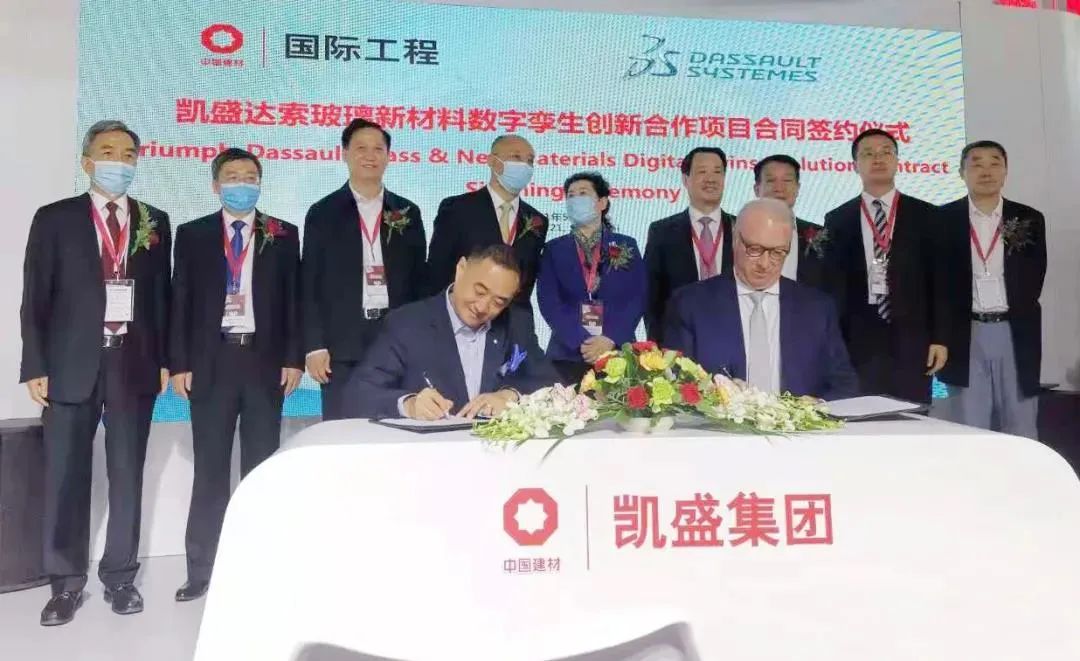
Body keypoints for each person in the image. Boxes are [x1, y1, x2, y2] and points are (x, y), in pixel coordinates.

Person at [20, 120, 171, 625]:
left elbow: (162, 298)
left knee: (128, 474)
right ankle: (65, 584)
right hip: (69, 365)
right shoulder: (54, 218)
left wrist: (165, 358)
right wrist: (35, 364)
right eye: (108, 152)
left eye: (128, 154)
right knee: (65, 476)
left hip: (134, 363)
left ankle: (120, 577)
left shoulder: (154, 221)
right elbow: (35, 296)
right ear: (87, 161)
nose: (119, 162)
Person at [168, 148, 302, 601]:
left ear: (260, 184)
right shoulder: (192, 234)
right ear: (216, 185)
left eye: (250, 176)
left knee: (260, 469)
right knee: (209, 470)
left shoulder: (283, 234)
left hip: (264, 363)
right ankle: (201, 569)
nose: (241, 184)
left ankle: (259, 568)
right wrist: (179, 363)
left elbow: (293, 300)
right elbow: (180, 300)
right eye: (232, 176)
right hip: (211, 364)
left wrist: (293, 358)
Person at [664, 198, 859, 401]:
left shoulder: (818, 308)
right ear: (735, 240)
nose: (765, 264)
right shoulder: (690, 305)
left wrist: (816, 407)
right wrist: (716, 400)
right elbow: (676, 384)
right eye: (755, 250)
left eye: (778, 252)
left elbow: (845, 385)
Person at [345, 244, 559, 420]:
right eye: (479, 291)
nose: (483, 307)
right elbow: (357, 394)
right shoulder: (407, 323)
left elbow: (552, 384)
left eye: (499, 302)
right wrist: (409, 404)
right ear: (461, 269)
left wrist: (510, 396)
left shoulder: (516, 324)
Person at [302, 119, 426, 420]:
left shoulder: (407, 212)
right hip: (341, 344)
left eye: (378, 149)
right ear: (344, 153)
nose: (370, 156)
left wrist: (421, 339)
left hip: (396, 339)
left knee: (392, 425)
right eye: (361, 148)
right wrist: (314, 346)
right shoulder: (322, 212)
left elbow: (420, 282)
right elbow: (309, 284)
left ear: (388, 156)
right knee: (341, 428)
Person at [821, 129, 949, 404]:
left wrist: (940, 338)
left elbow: (940, 281)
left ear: (897, 161)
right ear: (855, 165)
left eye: (886, 152)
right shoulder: (838, 218)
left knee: (912, 416)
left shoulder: (927, 215)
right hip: (858, 337)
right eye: (868, 153)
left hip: (913, 336)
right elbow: (834, 285)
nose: (878, 159)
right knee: (860, 415)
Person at [932, 141, 1046, 439]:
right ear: (961, 173)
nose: (986, 171)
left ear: (1006, 171)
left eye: (995, 163)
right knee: (969, 422)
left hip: (1015, 330)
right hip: (965, 331)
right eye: (976, 164)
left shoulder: (1029, 218)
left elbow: (1036, 275)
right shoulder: (941, 220)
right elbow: (938, 282)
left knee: (1021, 420)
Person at [537, 173, 647, 386]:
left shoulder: (626, 245)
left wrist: (610, 338)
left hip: (616, 352)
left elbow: (638, 297)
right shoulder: (554, 249)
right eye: (570, 195)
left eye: (583, 193)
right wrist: (583, 341)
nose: (575, 199)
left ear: (602, 202)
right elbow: (549, 302)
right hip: (567, 354)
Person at [425, 134, 548, 317]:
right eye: (516, 157)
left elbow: (528, 280)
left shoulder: (537, 220)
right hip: (462, 316)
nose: (525, 166)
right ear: (492, 161)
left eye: (530, 161)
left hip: (511, 322)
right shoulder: (457, 208)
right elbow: (438, 270)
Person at [644, 147, 736, 344]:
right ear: (685, 179)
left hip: (735, 341)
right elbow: (652, 298)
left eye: (717, 172)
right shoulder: (662, 232)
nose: (711, 179)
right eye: (702, 171)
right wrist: (656, 347)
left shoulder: (742, 228)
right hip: (680, 344)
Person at [752, 154, 825, 289]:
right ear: (757, 189)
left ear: (797, 188)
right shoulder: (739, 232)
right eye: (771, 180)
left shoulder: (822, 236)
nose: (779, 188)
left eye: (787, 180)